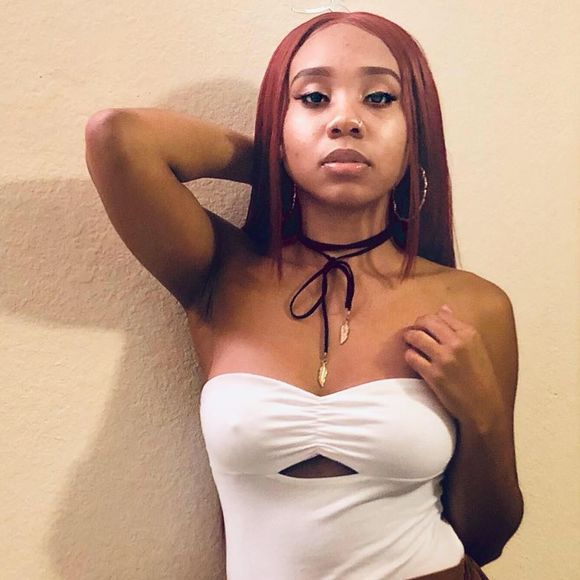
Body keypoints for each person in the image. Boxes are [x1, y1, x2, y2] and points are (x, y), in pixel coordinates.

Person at [84, 10, 523, 580]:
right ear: (281, 123)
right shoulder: (220, 276)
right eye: (314, 98)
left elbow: (486, 539)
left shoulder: (474, 305)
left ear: (416, 133)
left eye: (380, 98)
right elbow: (116, 138)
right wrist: (277, 162)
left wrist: (483, 416)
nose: (345, 120)